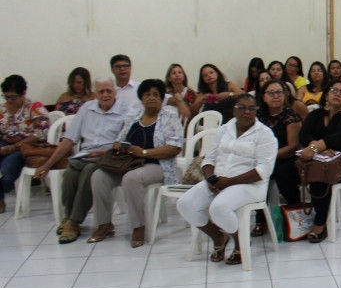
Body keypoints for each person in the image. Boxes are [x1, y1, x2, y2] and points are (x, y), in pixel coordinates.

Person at [177, 94, 277, 264]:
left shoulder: (265, 134)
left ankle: (240, 242)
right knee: (185, 204)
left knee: (219, 207)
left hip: (250, 185)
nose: (246, 112)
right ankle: (218, 237)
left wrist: (228, 182)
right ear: (234, 110)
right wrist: (211, 179)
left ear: (256, 111)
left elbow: (263, 170)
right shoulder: (225, 129)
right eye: (241, 108)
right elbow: (209, 159)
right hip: (218, 181)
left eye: (251, 109)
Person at [90, 79, 183, 248]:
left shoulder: (169, 116)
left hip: (157, 165)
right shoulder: (133, 116)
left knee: (131, 179)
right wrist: (119, 145)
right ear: (141, 98)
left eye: (156, 95)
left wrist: (145, 152)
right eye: (147, 95)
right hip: (128, 162)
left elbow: (174, 148)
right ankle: (104, 225)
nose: (151, 98)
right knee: (98, 176)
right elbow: (119, 140)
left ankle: (138, 226)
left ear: (162, 98)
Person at [34, 78, 127, 243]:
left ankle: (73, 222)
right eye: (101, 91)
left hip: (109, 156)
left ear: (115, 92)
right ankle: (69, 218)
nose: (105, 95)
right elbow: (69, 139)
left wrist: (103, 151)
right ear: (95, 94)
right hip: (85, 155)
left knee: (88, 174)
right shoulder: (87, 109)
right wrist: (47, 164)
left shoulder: (125, 111)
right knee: (69, 175)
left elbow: (124, 145)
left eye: (109, 91)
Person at [296, 79, 341, 241]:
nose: (337, 94)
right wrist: (317, 147)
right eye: (334, 90)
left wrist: (315, 147)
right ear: (326, 94)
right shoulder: (316, 114)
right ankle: (296, 216)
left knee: (319, 178)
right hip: (316, 160)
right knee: (285, 172)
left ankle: (320, 224)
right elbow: (303, 134)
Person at [252, 78, 301, 236]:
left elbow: (292, 146)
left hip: (285, 157)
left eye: (279, 92)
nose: (275, 96)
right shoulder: (257, 116)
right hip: (262, 158)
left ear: (285, 95)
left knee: (283, 173)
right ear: (264, 97)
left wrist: (269, 157)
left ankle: (296, 212)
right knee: (257, 175)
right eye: (271, 93)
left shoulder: (290, 116)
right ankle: (260, 218)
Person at [0, 75, 49, 214]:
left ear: (23, 94)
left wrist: (15, 147)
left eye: (13, 97)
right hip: (5, 143)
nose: (9, 101)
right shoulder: (2, 110)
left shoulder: (34, 108)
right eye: (6, 97)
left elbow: (40, 134)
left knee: (6, 172)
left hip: (24, 147)